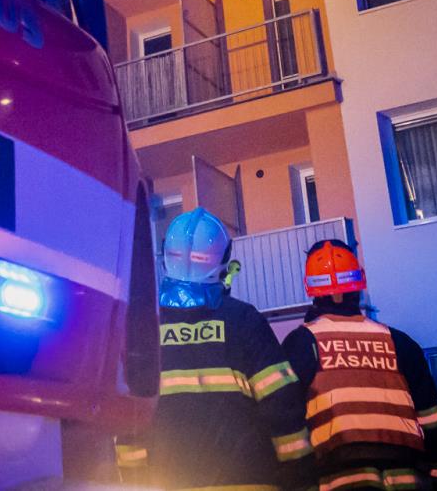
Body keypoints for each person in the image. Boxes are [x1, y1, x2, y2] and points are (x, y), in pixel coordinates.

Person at [116, 208, 314, 490]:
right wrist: (300, 478)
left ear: (166, 258)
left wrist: (135, 480)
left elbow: (129, 416)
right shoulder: (244, 320)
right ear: (222, 262)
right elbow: (282, 402)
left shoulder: (143, 329)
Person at [281, 241, 437, 491]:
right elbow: (432, 423)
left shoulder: (302, 343)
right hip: (408, 479)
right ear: (359, 284)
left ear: (311, 288)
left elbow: (287, 421)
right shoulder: (399, 343)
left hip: (341, 480)